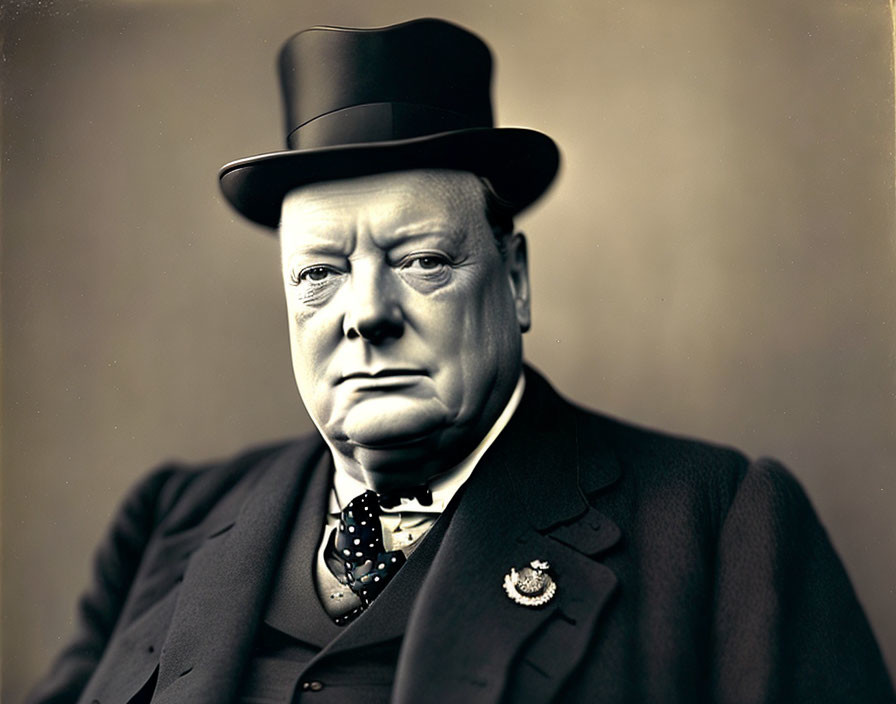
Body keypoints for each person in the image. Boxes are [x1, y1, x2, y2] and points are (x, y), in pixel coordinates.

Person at [27, 17, 895, 704]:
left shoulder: (721, 523)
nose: (366, 315)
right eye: (320, 274)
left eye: (421, 261)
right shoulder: (168, 518)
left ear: (514, 283)